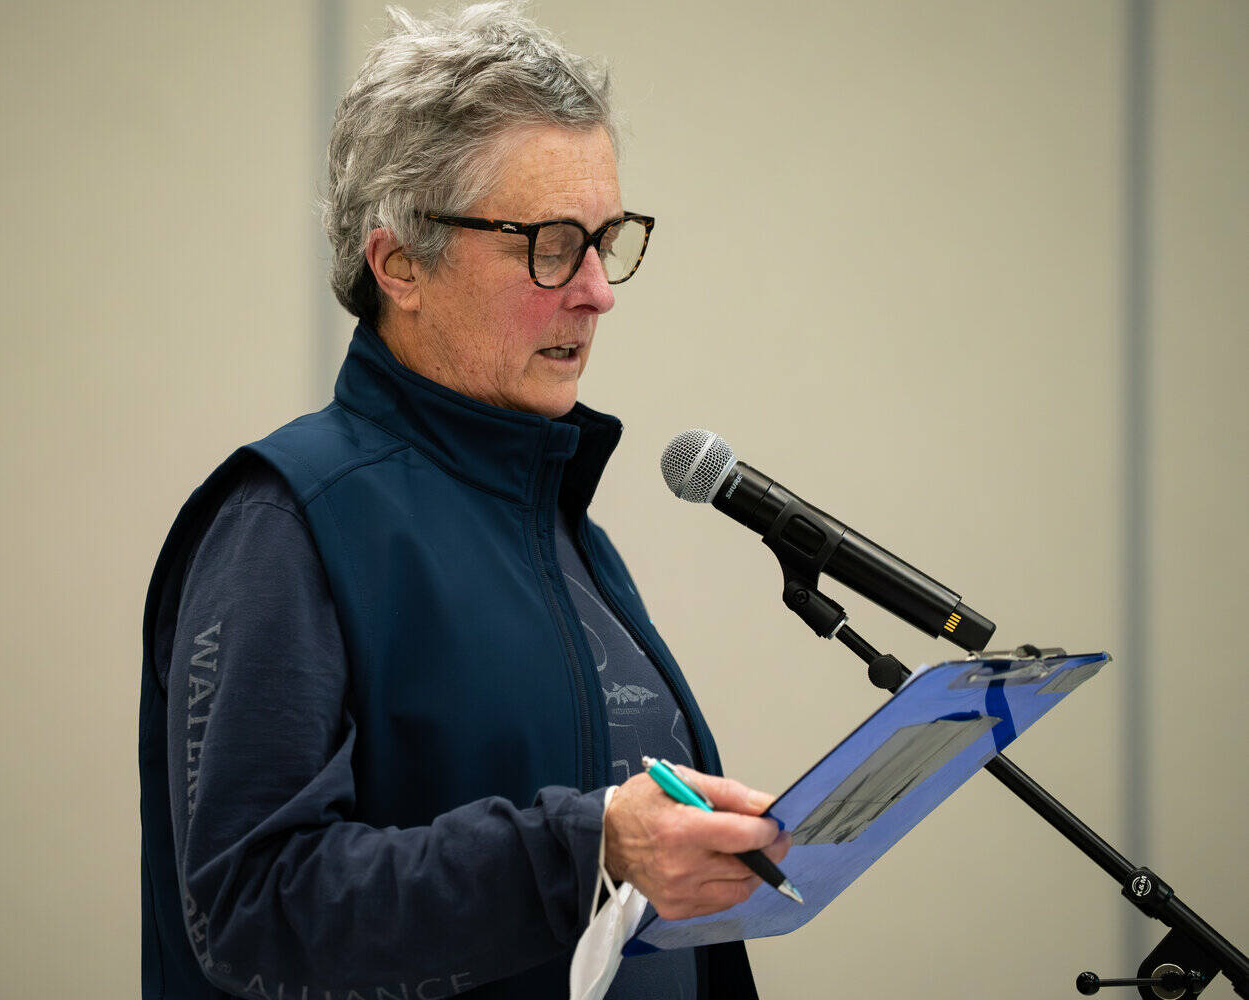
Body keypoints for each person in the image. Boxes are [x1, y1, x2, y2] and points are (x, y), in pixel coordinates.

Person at [138, 4, 790, 998]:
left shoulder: (572, 541)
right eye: (548, 244)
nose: (594, 291)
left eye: (604, 241)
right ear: (397, 260)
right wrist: (582, 849)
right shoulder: (286, 524)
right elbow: (249, 909)